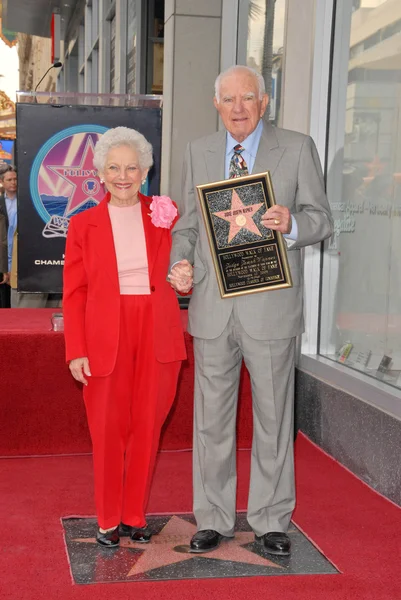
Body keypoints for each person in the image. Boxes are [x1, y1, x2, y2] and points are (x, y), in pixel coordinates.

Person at [169, 65, 333, 556]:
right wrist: (179, 261)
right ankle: (213, 517)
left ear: (265, 103)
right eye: (229, 100)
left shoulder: (298, 147)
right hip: (213, 310)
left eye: (248, 99)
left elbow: (321, 219)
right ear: (216, 105)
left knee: (274, 417)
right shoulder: (197, 152)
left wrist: (292, 223)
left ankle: (270, 519)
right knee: (210, 421)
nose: (238, 108)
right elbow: (187, 227)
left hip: (271, 309)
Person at [63, 126, 186, 548]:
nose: (122, 176)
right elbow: (74, 292)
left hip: (158, 329)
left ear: (145, 170)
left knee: (147, 429)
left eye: (131, 167)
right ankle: (107, 518)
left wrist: (187, 277)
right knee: (107, 431)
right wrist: (75, 350)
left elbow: (187, 267)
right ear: (99, 172)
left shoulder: (165, 214)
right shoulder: (83, 225)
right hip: (103, 337)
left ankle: (134, 515)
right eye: (113, 167)